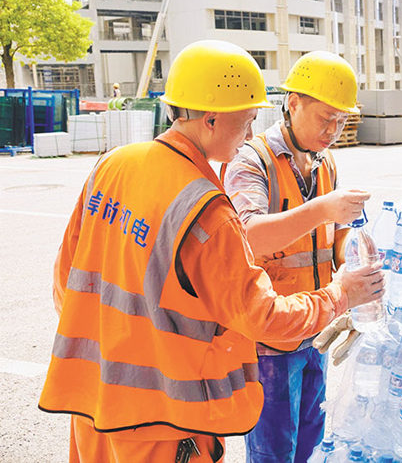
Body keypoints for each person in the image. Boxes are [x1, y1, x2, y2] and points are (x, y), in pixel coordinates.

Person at [38, 40, 383, 463]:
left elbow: (65, 282)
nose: (251, 134)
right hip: (162, 418)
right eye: (247, 122)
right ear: (212, 119)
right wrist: (342, 295)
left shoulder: (113, 165)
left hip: (94, 400)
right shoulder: (206, 210)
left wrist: (120, 346)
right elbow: (264, 317)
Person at [223, 51, 368, 463]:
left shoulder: (324, 163)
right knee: (273, 452)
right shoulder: (251, 160)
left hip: (316, 328)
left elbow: (334, 238)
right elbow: (248, 237)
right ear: (293, 102)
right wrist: (324, 209)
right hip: (270, 340)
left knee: (309, 445)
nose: (333, 130)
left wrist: (355, 256)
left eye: (342, 121)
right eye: (326, 118)